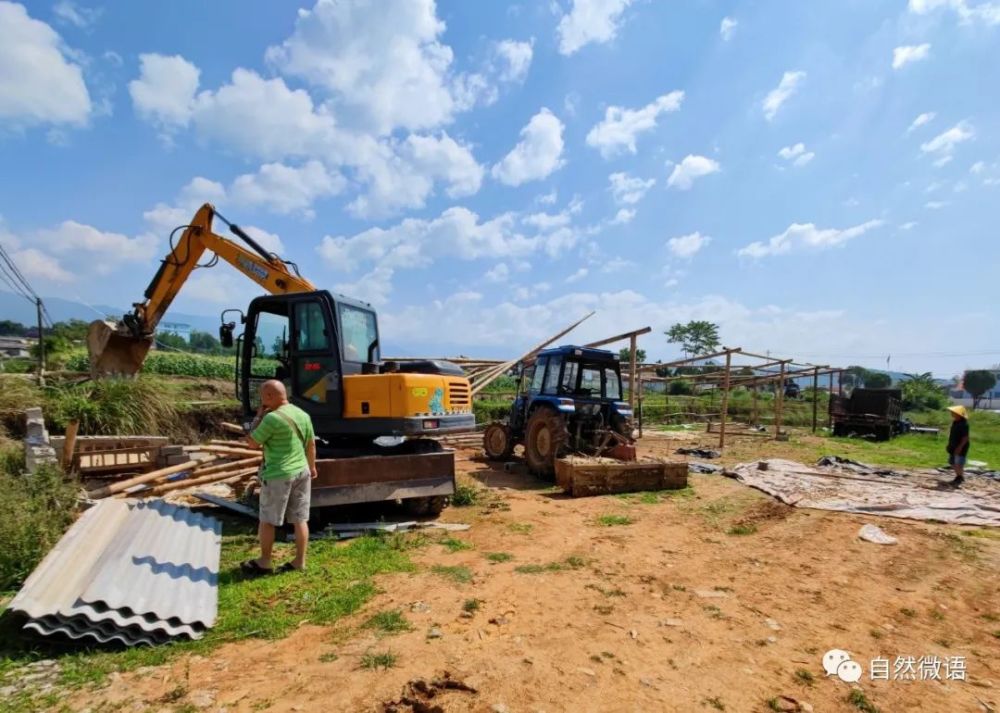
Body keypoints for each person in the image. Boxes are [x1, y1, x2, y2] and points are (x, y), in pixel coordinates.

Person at [240, 380, 317, 575]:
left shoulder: (271, 419)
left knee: (267, 520)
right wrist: (312, 467)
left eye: (262, 396)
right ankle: (299, 561)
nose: (261, 400)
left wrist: (258, 417)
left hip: (278, 475)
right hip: (302, 471)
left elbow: (252, 443)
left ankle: (265, 562)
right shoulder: (303, 414)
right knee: (299, 519)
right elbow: (311, 445)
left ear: (269, 397)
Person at [945, 405, 970, 487]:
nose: (951, 413)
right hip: (953, 445)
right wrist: (949, 444)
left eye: (953, 412)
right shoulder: (955, 422)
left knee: (958, 463)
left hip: (960, 446)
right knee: (952, 461)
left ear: (959, 414)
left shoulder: (964, 425)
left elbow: (965, 438)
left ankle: (959, 477)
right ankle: (959, 476)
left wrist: (960, 447)